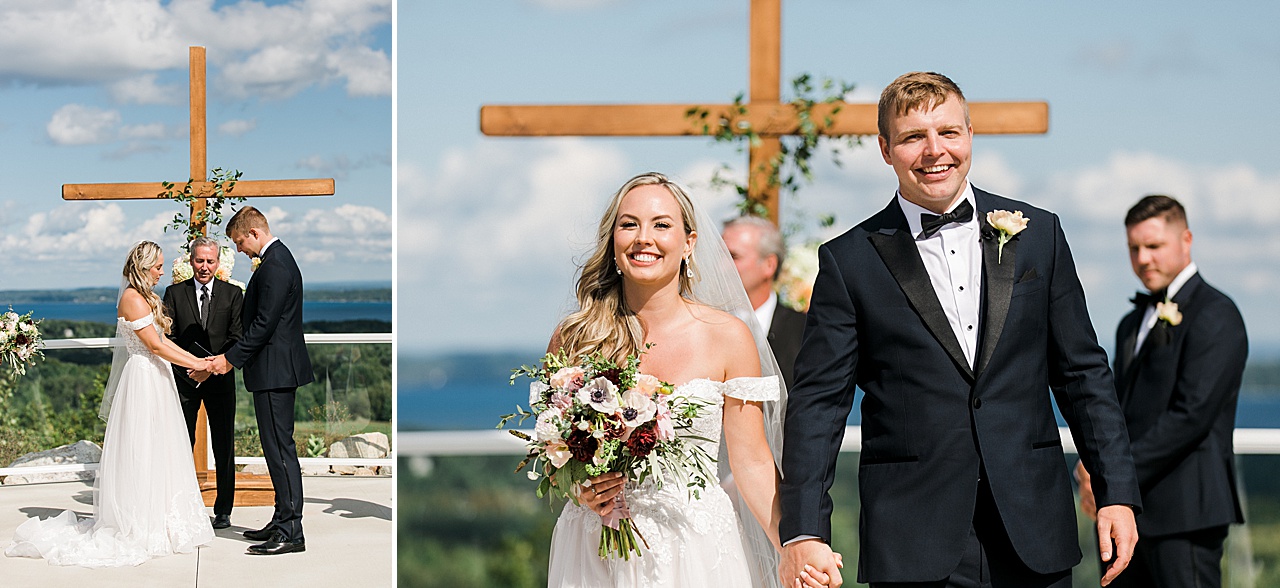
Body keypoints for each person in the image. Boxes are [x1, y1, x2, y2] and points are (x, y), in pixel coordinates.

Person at [778, 71, 1142, 588]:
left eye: (948, 132)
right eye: (912, 137)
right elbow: (819, 403)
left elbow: (1083, 373)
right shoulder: (848, 261)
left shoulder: (1040, 236)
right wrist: (803, 532)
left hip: (1034, 531)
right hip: (912, 539)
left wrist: (1117, 492)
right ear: (885, 149)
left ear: (970, 135)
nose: (934, 151)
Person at [545, 172, 832, 588]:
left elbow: (751, 461)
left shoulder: (728, 336)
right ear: (612, 241)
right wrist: (580, 490)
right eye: (629, 224)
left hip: (694, 547)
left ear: (689, 243)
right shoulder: (575, 337)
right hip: (593, 547)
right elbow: (557, 455)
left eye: (661, 225)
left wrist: (795, 546)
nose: (644, 237)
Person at [7, 241, 215, 567]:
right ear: (143, 268)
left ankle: (161, 517)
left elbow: (161, 346)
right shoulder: (132, 298)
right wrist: (200, 363)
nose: (162, 272)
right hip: (144, 380)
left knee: (161, 447)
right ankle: (141, 522)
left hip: (158, 379)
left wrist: (197, 362)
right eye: (157, 267)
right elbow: (156, 346)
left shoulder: (146, 297)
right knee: (143, 448)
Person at [1076, 195, 1247, 588]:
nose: (1143, 258)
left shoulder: (1216, 313)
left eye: (1154, 246)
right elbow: (1114, 406)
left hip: (1186, 513)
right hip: (1125, 516)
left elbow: (1192, 415)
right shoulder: (1130, 322)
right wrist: (1092, 466)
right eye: (1134, 248)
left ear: (1185, 240)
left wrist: (1112, 472)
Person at [203, 206, 314, 556]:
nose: (238, 250)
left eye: (239, 242)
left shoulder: (276, 265)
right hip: (273, 370)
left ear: (253, 233)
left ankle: (291, 530)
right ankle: (281, 517)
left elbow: (263, 325)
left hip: (276, 371)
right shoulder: (277, 260)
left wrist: (229, 360)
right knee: (275, 448)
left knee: (280, 451)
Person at [162, 235, 244, 530]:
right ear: (190, 260)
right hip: (184, 381)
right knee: (183, 444)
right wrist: (191, 368)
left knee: (224, 446)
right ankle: (183, 506)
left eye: (210, 261)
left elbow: (237, 337)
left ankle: (223, 510)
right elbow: (167, 338)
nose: (204, 266)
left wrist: (209, 369)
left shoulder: (233, 294)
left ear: (218, 262)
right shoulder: (173, 293)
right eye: (199, 260)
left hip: (220, 380)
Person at [723, 216, 806, 390]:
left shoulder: (805, 329)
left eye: (733, 256)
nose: (722, 266)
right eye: (720, 255)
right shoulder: (706, 323)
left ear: (769, 265)